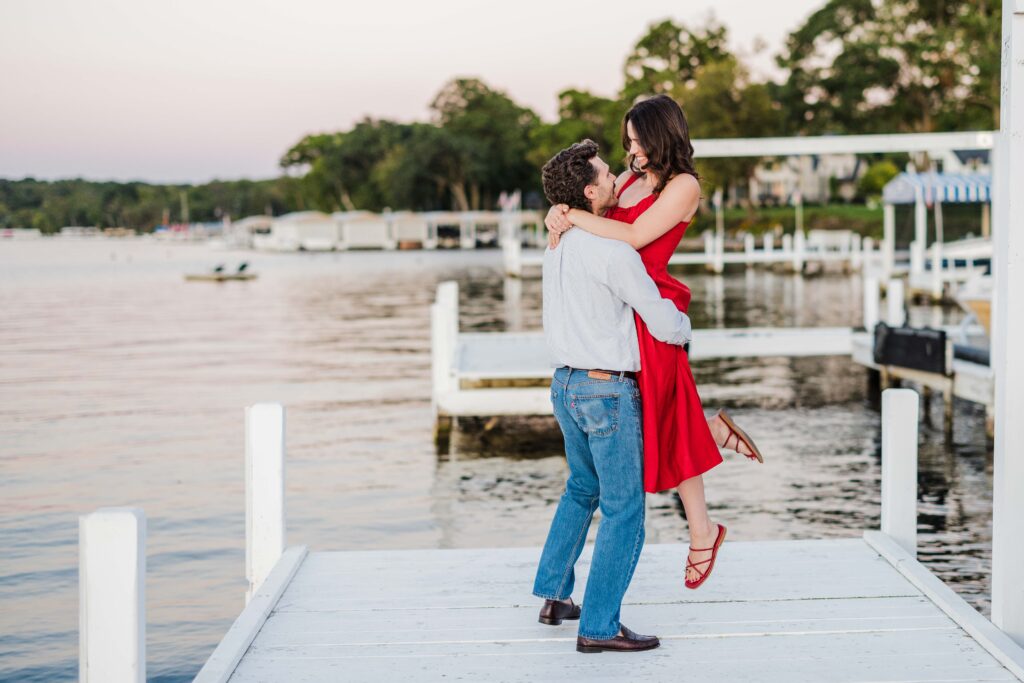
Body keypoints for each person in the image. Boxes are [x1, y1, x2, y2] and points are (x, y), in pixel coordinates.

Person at [545, 95, 764, 590]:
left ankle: (702, 532)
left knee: (661, 423)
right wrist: (560, 211)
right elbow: (595, 208)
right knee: (651, 430)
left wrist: (572, 217)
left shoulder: (684, 186)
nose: (633, 150)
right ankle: (712, 448)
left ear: (663, 134)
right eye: (628, 141)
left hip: (653, 308)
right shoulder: (627, 179)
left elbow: (637, 237)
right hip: (620, 311)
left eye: (640, 140)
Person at [532, 140, 692, 653]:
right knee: (625, 510)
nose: (616, 179)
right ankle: (599, 626)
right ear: (589, 190)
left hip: (565, 385)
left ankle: (556, 596)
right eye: (607, 174)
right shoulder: (614, 252)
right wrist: (685, 326)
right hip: (605, 391)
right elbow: (658, 317)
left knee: (582, 489)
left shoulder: (556, 245)